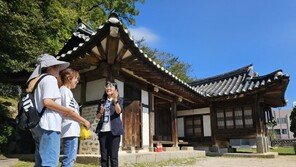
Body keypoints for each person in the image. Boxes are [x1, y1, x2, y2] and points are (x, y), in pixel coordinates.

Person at [29, 54, 90, 167]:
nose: (59, 69)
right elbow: (47, 102)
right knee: (50, 162)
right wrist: (69, 111)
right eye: (57, 66)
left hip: (40, 125)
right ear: (50, 67)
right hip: (49, 126)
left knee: (40, 161)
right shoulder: (50, 79)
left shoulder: (39, 80)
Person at [95, 81, 124, 167]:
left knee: (113, 157)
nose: (108, 88)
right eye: (107, 86)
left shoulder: (119, 99)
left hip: (114, 132)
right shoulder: (102, 101)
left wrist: (115, 101)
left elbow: (118, 111)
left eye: (111, 86)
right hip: (103, 131)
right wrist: (100, 111)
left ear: (115, 89)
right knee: (104, 157)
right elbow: (97, 117)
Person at [59, 68, 83, 167]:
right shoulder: (65, 91)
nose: (77, 81)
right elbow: (70, 111)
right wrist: (84, 121)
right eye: (76, 78)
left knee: (70, 159)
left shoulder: (67, 91)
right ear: (69, 78)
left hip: (71, 130)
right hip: (69, 130)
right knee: (69, 159)